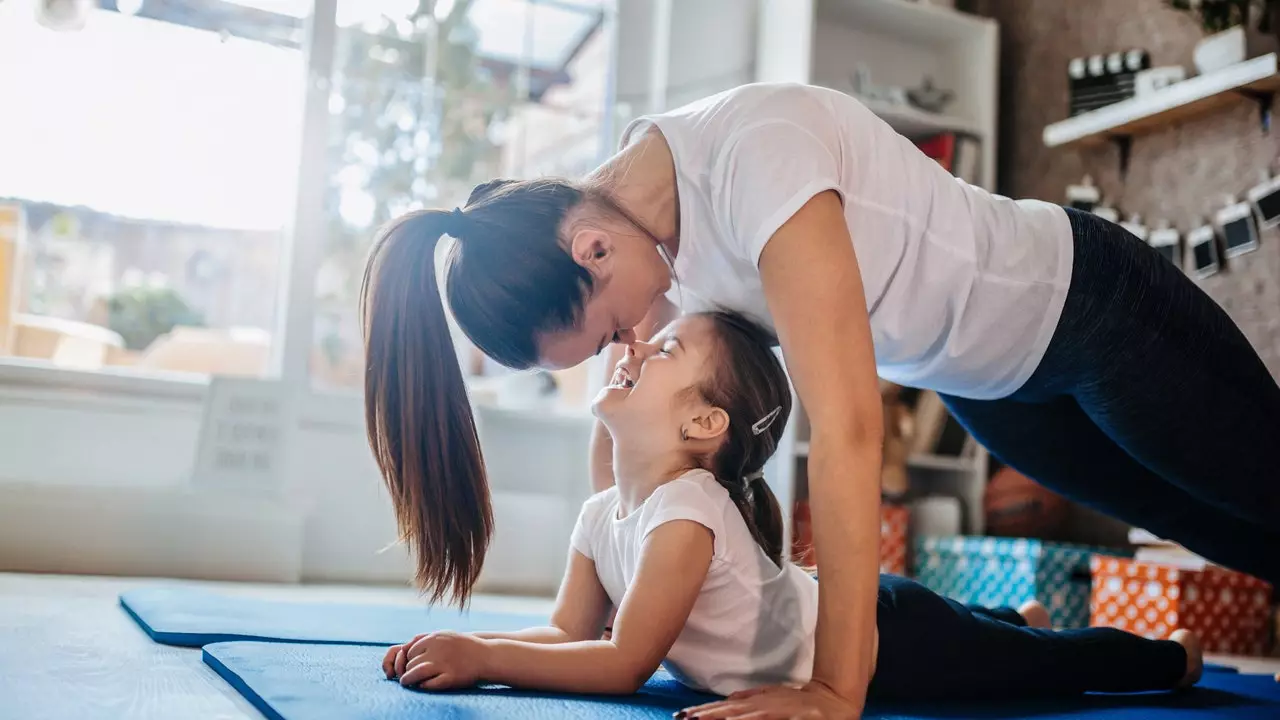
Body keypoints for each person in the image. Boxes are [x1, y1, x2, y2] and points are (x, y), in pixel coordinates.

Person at [360, 82, 1280, 717]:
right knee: (1214, 526)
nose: (627, 350)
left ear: (592, 251)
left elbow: (844, 430)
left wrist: (838, 690)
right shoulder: (640, 243)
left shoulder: (754, 161)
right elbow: (635, 449)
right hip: (987, 387)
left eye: (607, 335)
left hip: (1089, 308)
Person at [379, 312, 1203, 712]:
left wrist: (481, 658)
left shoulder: (685, 514)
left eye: (662, 350)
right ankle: (1009, 614)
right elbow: (569, 633)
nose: (635, 349)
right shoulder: (604, 514)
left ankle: (1167, 660)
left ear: (705, 426)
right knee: (995, 633)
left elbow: (625, 661)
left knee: (1049, 676)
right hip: (850, 606)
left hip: (890, 640)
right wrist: (465, 645)